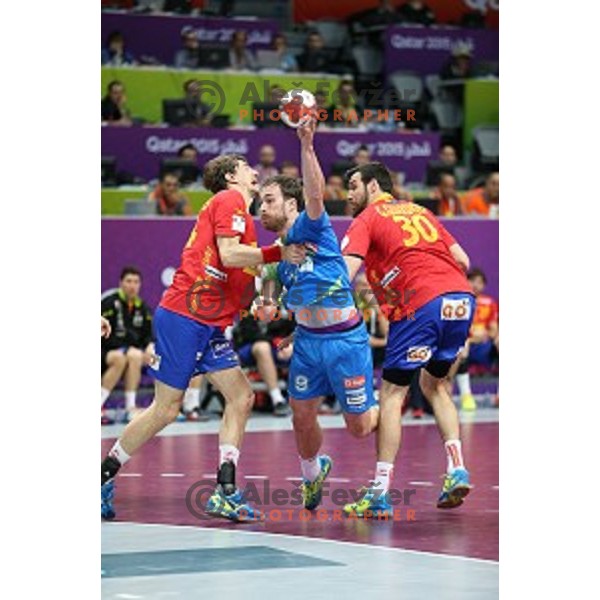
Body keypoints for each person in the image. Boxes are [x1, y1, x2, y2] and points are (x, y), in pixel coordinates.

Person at [100, 154, 306, 522]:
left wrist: (268, 295)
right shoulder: (229, 200)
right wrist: (278, 251)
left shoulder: (243, 218)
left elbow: (249, 268)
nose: (253, 170)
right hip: (184, 315)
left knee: (241, 396)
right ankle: (102, 477)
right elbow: (229, 255)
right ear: (231, 176)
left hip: (208, 323)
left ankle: (225, 491)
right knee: (165, 409)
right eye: (245, 166)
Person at [258, 118, 379, 511]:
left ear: (291, 205)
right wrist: (267, 305)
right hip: (309, 343)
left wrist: (307, 145)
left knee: (359, 429)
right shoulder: (279, 256)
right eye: (260, 201)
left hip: (346, 341)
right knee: (300, 415)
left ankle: (388, 410)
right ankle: (312, 474)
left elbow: (314, 192)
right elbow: (272, 293)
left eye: (270, 199)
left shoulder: (312, 226)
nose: (263, 207)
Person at [341, 161, 474, 515]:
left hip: (420, 305)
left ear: (372, 186)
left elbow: (345, 273)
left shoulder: (367, 219)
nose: (347, 193)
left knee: (392, 394)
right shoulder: (421, 211)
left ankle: (379, 492)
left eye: (353, 185)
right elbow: (463, 259)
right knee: (436, 386)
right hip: (460, 299)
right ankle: (456, 468)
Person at [101, 267, 154, 423]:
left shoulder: (142, 307)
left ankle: (131, 407)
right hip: (106, 351)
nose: (132, 285)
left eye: (136, 282)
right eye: (129, 281)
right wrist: (124, 347)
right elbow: (103, 335)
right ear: (121, 283)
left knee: (151, 358)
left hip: (132, 355)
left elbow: (147, 335)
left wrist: (150, 346)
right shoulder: (110, 302)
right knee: (120, 357)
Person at [453, 268, 499, 411]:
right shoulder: (458, 302)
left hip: (484, 347)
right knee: (463, 344)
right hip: (463, 347)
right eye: (472, 280)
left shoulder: (489, 303)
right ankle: (466, 396)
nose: (475, 285)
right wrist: (471, 337)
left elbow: (493, 329)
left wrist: (486, 334)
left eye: (480, 282)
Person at [233, 315, 294, 417]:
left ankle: (311, 399)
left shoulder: (288, 303)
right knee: (262, 348)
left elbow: (294, 327)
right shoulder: (249, 303)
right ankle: (278, 400)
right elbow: (249, 332)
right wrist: (276, 342)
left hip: (279, 345)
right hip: (250, 345)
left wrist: (290, 343)